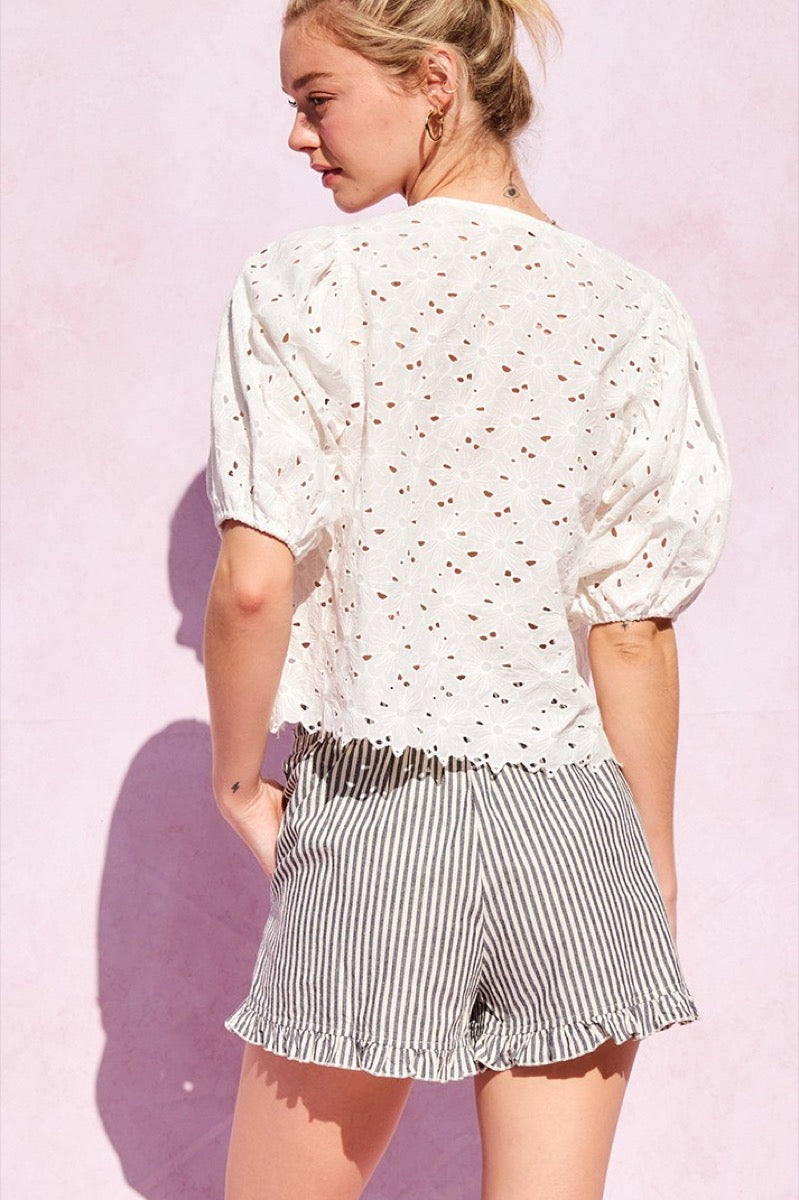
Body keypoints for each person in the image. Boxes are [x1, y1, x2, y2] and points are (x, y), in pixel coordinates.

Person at [203, 0, 732, 1196]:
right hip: (577, 823)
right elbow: (635, 628)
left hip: (383, 807)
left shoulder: (305, 284)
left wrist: (237, 780)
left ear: (433, 81)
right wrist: (648, 855)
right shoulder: (636, 312)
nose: (298, 134)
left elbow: (250, 586)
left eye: (315, 97)